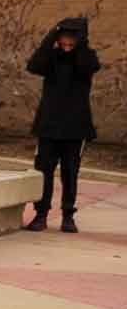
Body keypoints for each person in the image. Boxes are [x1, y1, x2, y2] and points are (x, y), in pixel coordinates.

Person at [24, 16, 102, 233]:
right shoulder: (51, 58)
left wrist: (81, 43)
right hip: (49, 124)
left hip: (75, 126)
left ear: (79, 40)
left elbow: (89, 66)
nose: (67, 44)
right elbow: (34, 65)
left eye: (72, 40)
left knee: (70, 172)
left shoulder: (86, 57)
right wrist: (51, 37)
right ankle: (41, 214)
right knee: (44, 171)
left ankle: (68, 215)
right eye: (63, 39)